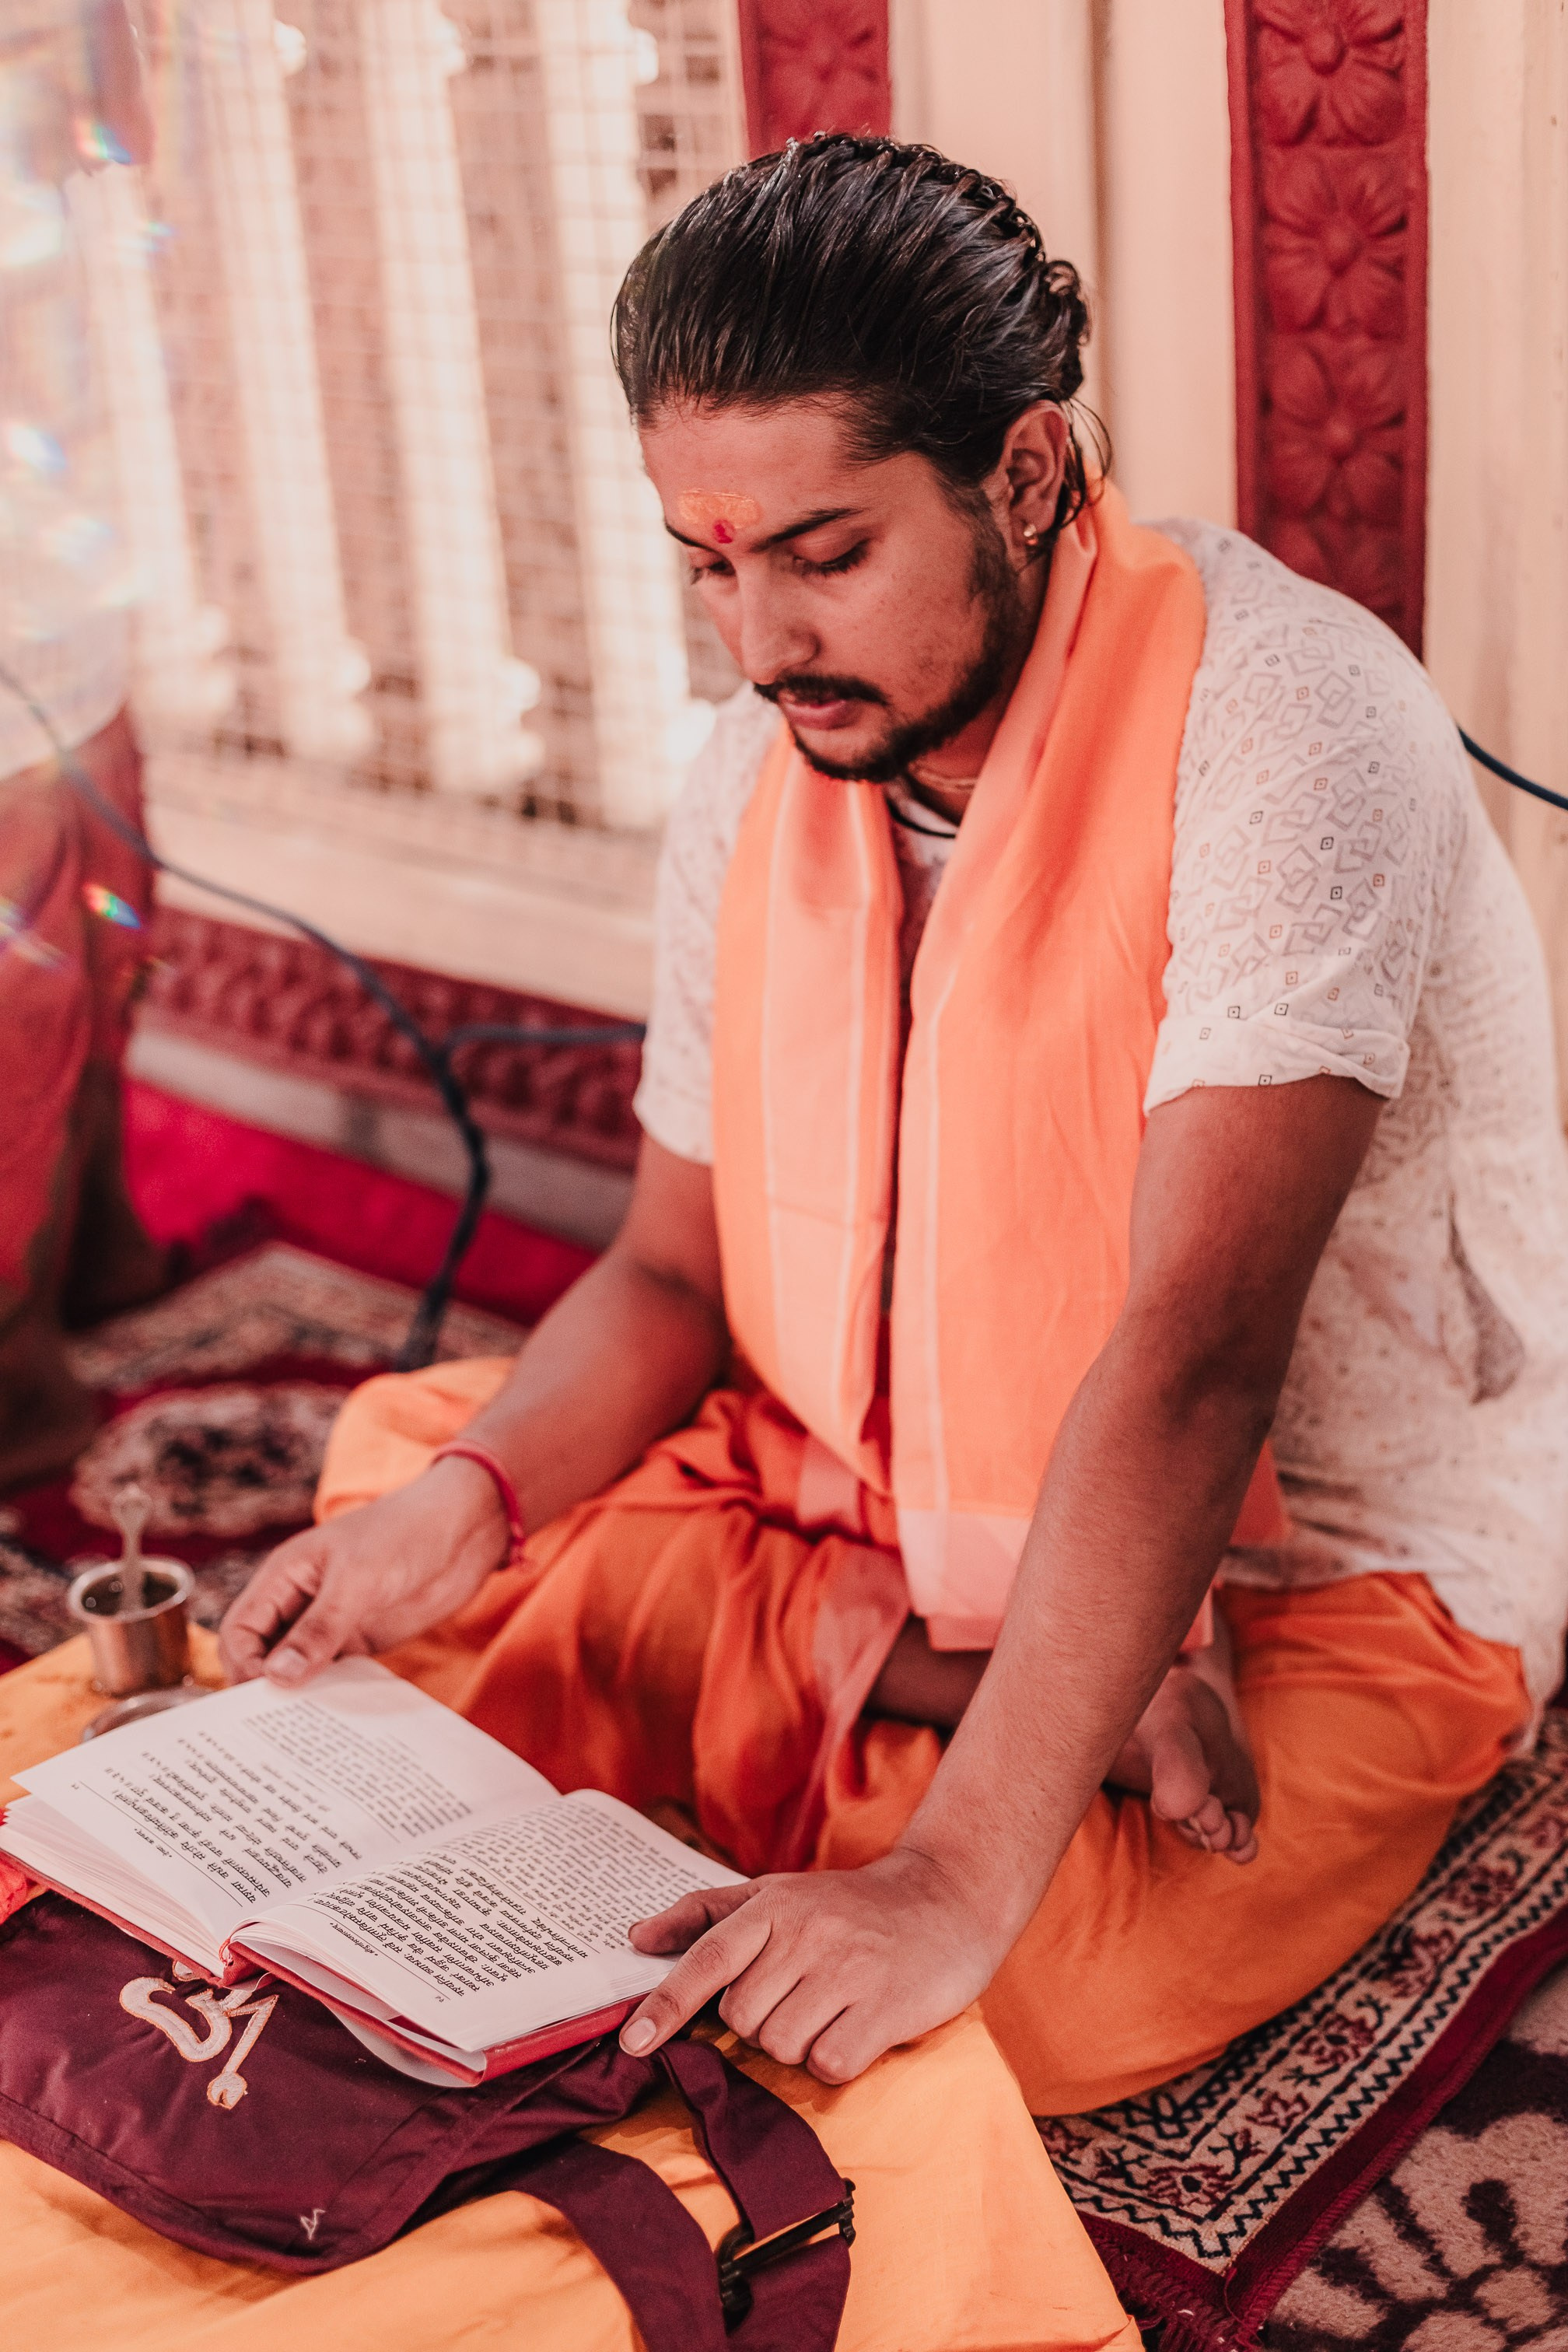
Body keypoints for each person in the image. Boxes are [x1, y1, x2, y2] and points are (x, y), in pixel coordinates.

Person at [222, 136, 1568, 2117]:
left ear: (1023, 477)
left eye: (826, 553)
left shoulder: (1294, 733)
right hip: (854, 1471)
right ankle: (981, 1678)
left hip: (1320, 1573)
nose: (759, 645)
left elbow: (1198, 1361)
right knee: (409, 1476)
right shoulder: (757, 775)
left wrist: (947, 1882)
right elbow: (674, 1272)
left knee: (1000, 2016)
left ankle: (1001, 1704)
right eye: (712, 565)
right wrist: (472, 1511)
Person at [0, 0, 164, 1487]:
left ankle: (80, 1273)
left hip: (55, 584)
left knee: (98, 934)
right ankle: (17, 1361)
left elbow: (122, 118)